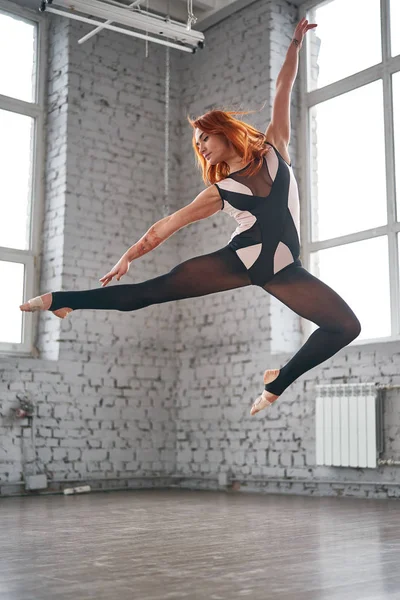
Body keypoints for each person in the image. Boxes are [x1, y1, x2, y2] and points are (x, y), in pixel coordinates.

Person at [20, 18, 361, 415]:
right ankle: (61, 301)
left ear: (223, 132)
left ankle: (278, 379)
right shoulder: (220, 191)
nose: (202, 149)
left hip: (284, 269)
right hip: (239, 260)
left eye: (204, 139)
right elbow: (166, 226)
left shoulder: (274, 148)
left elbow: (283, 87)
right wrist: (129, 255)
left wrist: (295, 46)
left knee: (345, 327)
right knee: (148, 293)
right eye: (197, 145)